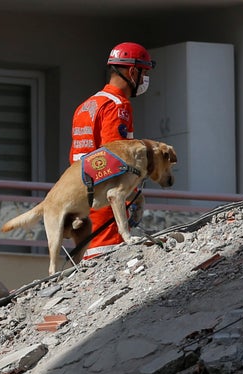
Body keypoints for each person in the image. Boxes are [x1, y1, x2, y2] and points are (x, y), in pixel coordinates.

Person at [69, 41, 155, 259]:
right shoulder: (118, 106)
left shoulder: (87, 105)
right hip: (106, 205)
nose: (145, 79)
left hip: (83, 200)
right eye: (144, 73)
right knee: (108, 263)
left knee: (90, 263)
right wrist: (133, 195)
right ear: (133, 71)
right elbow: (117, 159)